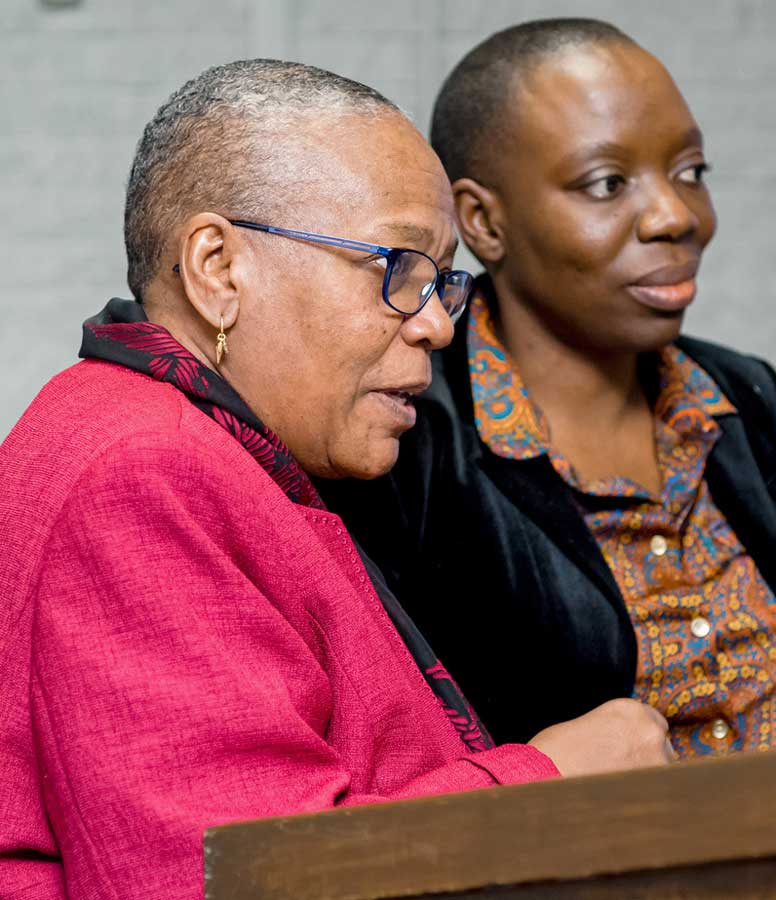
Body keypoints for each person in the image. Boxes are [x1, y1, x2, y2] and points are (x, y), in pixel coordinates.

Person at [0, 59, 674, 899]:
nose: (434, 324)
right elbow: (226, 875)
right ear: (218, 268)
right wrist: (553, 782)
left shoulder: (198, 440)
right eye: (397, 268)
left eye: (444, 283)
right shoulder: (142, 469)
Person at [320, 19, 776, 758]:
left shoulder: (738, 394)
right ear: (484, 221)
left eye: (691, 171)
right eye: (607, 184)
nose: (676, 216)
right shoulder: (410, 429)